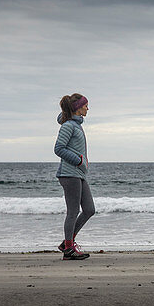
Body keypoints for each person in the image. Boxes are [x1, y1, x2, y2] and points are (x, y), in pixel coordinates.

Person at [54, 93, 94, 260]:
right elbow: (59, 148)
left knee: (89, 210)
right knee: (73, 212)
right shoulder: (69, 126)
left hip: (79, 174)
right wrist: (78, 161)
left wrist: (81, 166)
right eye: (85, 105)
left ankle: (67, 243)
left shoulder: (76, 125)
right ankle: (69, 249)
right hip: (69, 174)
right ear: (78, 108)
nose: (87, 108)